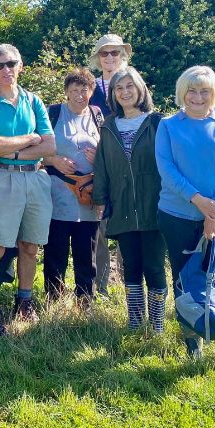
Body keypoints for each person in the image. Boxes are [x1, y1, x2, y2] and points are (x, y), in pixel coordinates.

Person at [156, 65, 215, 377]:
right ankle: (193, 345)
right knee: (185, 283)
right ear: (182, 92)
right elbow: (167, 169)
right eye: (191, 91)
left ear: (213, 93)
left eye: (204, 91)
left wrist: (212, 210)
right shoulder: (167, 126)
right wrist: (198, 201)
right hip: (176, 216)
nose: (197, 96)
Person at [0, 44, 55, 331]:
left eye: (10, 63)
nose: (5, 70)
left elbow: (50, 145)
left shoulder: (34, 102)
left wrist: (16, 150)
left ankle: (24, 302)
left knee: (30, 246)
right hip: (0, 178)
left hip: (34, 178)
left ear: (21, 65)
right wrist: (30, 139)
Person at [92, 67, 167, 333]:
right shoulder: (108, 126)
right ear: (113, 94)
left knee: (154, 267)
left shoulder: (158, 123)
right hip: (121, 207)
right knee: (131, 267)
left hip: (154, 207)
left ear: (140, 89)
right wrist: (100, 199)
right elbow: (101, 167)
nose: (124, 92)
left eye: (129, 86)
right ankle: (135, 323)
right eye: (119, 88)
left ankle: (157, 325)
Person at [42, 68, 102, 307]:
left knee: (86, 252)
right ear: (66, 92)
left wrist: (100, 158)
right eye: (74, 90)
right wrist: (53, 160)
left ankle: (85, 302)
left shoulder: (98, 116)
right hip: (57, 194)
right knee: (55, 250)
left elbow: (109, 157)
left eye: (84, 90)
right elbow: (36, 152)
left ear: (92, 91)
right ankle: (53, 302)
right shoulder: (53, 114)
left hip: (89, 196)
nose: (79, 95)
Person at [88, 33, 133, 298]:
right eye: (104, 53)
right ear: (98, 58)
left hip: (126, 162)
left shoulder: (132, 83)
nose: (110, 58)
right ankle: (101, 286)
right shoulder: (90, 87)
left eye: (115, 53)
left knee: (129, 222)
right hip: (96, 163)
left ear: (122, 55)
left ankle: (131, 283)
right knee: (100, 226)